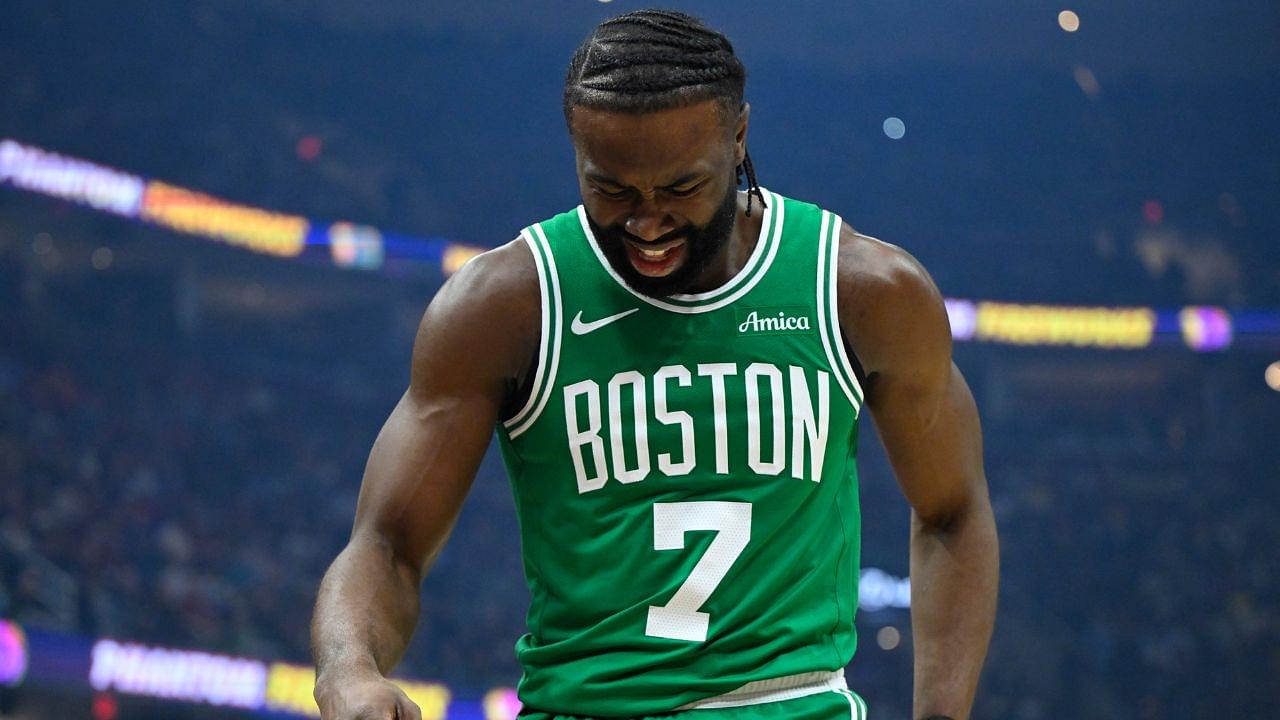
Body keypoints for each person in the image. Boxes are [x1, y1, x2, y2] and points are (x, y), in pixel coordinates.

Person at [311, 9, 998, 720]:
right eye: (612, 190)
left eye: (678, 189)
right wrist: (348, 671)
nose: (646, 223)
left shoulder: (858, 289)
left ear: (738, 139)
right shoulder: (505, 305)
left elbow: (953, 509)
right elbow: (388, 544)